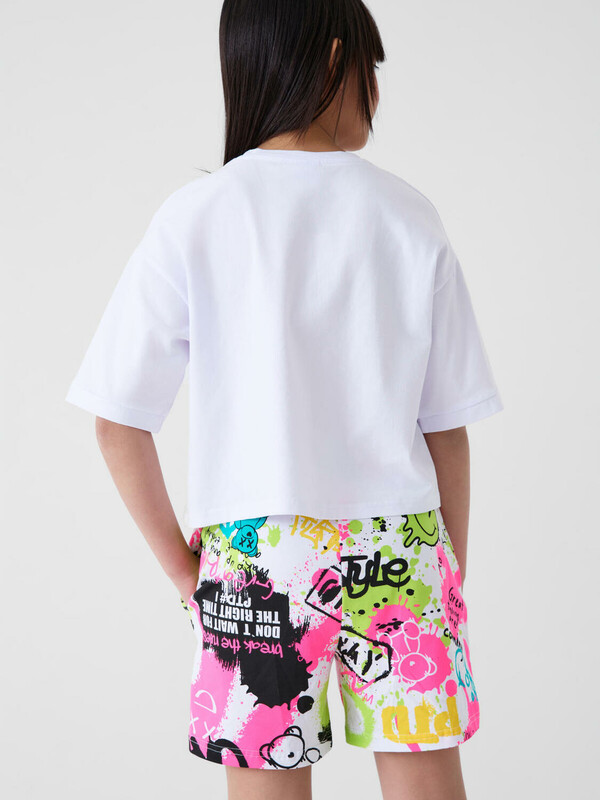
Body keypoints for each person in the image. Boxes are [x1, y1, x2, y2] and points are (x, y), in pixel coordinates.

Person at [65, 1, 504, 798]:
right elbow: (446, 429)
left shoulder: (196, 216)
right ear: (335, 60)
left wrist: (189, 577)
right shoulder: (407, 214)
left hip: (256, 558)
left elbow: (117, 421)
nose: (377, 90)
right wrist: (450, 576)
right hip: (400, 546)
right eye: (371, 67)